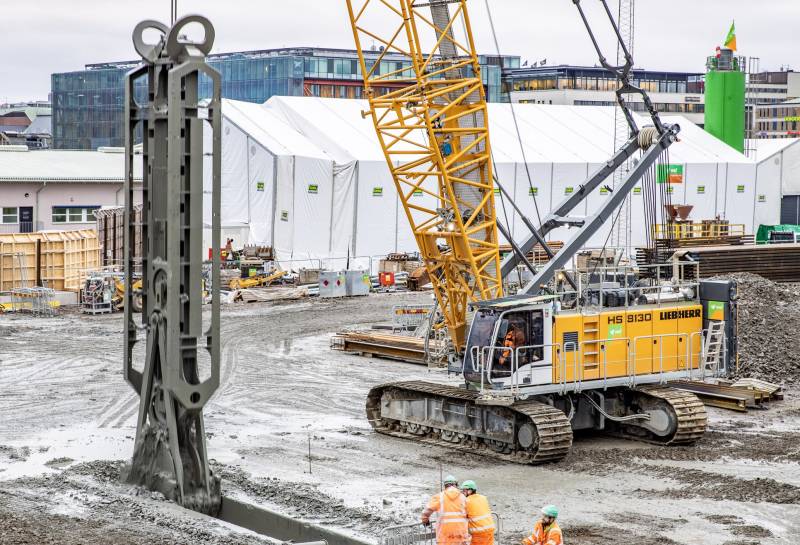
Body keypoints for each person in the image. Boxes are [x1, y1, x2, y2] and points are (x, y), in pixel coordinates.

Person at [421, 475, 469, 545]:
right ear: (455, 485)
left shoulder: (439, 496)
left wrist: (425, 520)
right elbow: (469, 513)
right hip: (460, 535)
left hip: (444, 536)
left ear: (445, 486)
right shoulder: (463, 497)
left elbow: (427, 511)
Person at [461, 480, 495, 545]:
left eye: (464, 490)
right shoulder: (483, 498)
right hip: (490, 530)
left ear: (470, 491)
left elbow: (463, 516)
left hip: (479, 533)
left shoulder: (466, 501)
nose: (463, 492)